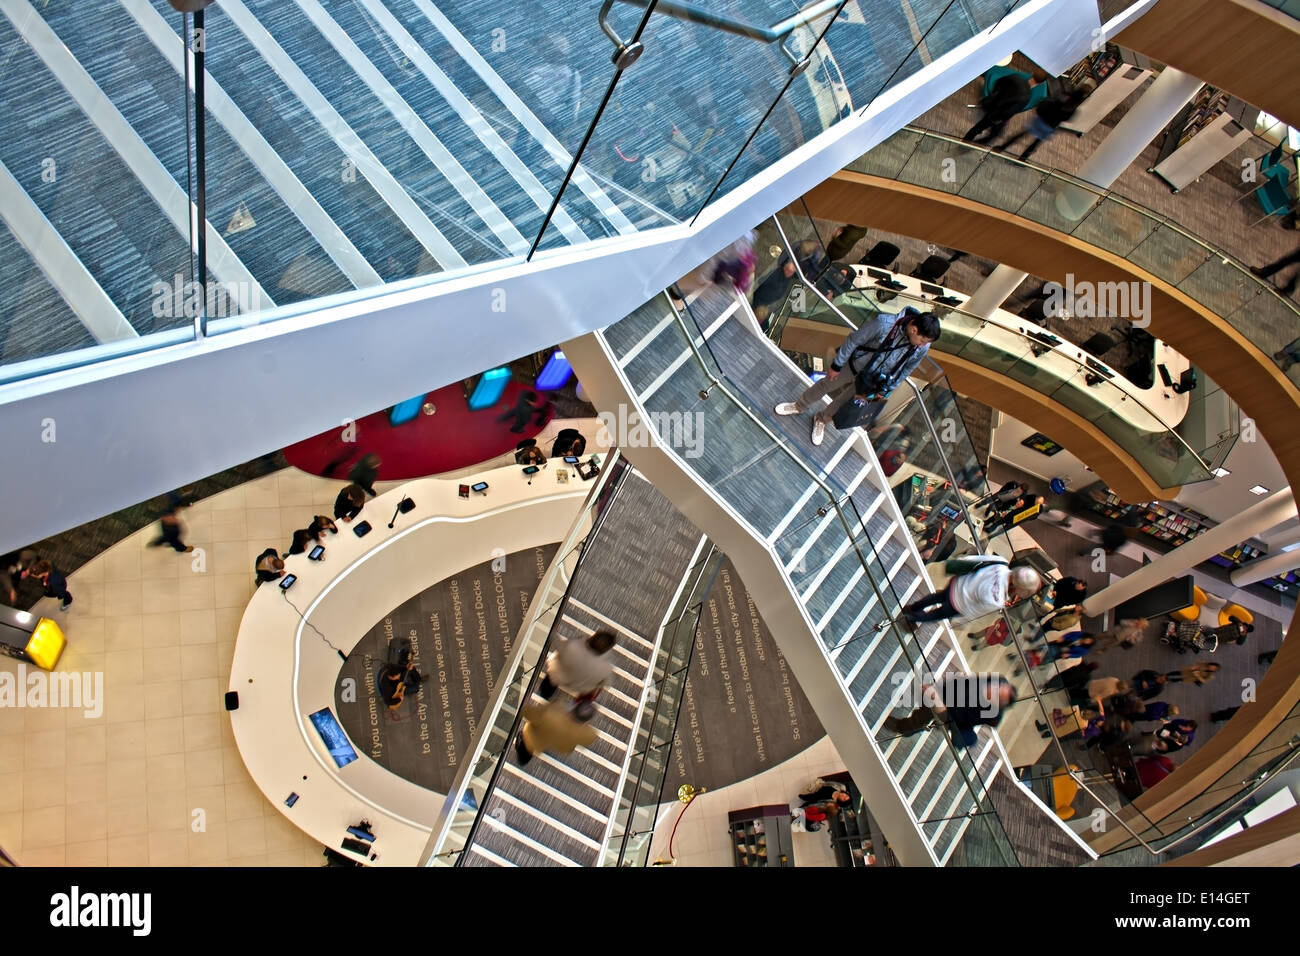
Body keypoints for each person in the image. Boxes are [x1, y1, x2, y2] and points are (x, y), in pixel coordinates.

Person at [773, 308, 941, 446]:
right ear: (914, 329)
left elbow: (907, 368)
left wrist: (889, 388)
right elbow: (854, 340)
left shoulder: (921, 348)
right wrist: (837, 365)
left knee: (846, 402)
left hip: (873, 380)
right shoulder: (885, 324)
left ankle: (822, 419)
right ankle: (799, 405)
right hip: (855, 366)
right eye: (923, 340)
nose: (924, 345)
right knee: (826, 385)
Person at [883, 673, 1017, 748]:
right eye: (999, 687)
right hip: (953, 695)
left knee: (928, 711)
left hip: (953, 715)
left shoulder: (988, 712)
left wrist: (937, 698)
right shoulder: (997, 680)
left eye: (997, 694)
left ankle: (904, 727)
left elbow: (956, 715)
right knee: (927, 705)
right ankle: (912, 725)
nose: (994, 689)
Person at [902, 555, 1040, 625]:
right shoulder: (998, 599)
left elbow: (976, 560)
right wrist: (960, 621)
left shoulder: (1002, 562)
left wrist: (960, 563)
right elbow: (975, 611)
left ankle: (912, 608)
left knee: (935, 597)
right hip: (958, 604)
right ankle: (913, 618)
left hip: (957, 584)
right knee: (935, 615)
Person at [991, 82, 1088, 160]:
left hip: (1042, 119)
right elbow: (1067, 119)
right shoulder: (1073, 108)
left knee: (1022, 134)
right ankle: (1023, 157)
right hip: (1050, 126)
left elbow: (1050, 102)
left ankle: (1002, 147)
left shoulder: (1064, 95)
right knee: (1036, 143)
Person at [539, 630, 617, 708]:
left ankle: (545, 695)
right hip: (578, 686)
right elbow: (607, 683)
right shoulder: (605, 669)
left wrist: (551, 633)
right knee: (597, 687)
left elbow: (557, 643)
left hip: (557, 675)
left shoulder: (573, 646)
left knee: (550, 682)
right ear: (606, 650)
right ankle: (578, 707)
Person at [514, 698, 598, 767]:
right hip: (554, 744)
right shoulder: (586, 734)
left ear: (573, 709)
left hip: (532, 737)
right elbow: (590, 739)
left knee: (528, 745)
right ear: (585, 722)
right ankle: (523, 760)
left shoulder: (552, 712)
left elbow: (527, 713)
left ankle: (522, 758)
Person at [963, 70, 1034, 144]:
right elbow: (1009, 111)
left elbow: (999, 82)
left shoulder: (1016, 78)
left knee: (978, 127)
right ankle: (973, 144)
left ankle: (965, 141)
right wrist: (1000, 119)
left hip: (991, 104)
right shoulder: (1026, 97)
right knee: (993, 135)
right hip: (997, 115)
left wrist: (996, 96)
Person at [378, 646, 423, 720]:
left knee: (411, 671)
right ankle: (414, 683)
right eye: (397, 676)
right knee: (415, 688)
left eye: (398, 675)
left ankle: (417, 678)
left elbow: (401, 669)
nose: (398, 676)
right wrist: (399, 699)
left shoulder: (394, 669)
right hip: (395, 692)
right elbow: (389, 703)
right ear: (391, 677)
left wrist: (407, 667)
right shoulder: (387, 689)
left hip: (398, 684)